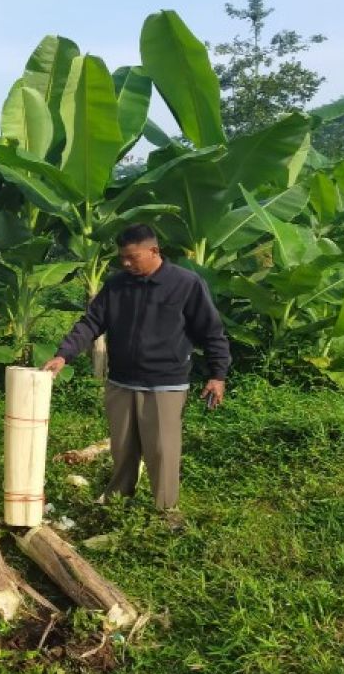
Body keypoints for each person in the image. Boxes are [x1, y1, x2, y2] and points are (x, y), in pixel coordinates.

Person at [41, 224, 230, 523]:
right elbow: (91, 322)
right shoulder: (118, 285)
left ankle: (166, 513)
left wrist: (217, 375)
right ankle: (116, 505)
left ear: (154, 251)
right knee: (123, 447)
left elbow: (212, 332)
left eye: (133, 257)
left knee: (162, 452)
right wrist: (64, 354)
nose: (126, 263)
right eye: (122, 258)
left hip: (166, 384)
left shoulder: (186, 284)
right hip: (121, 382)